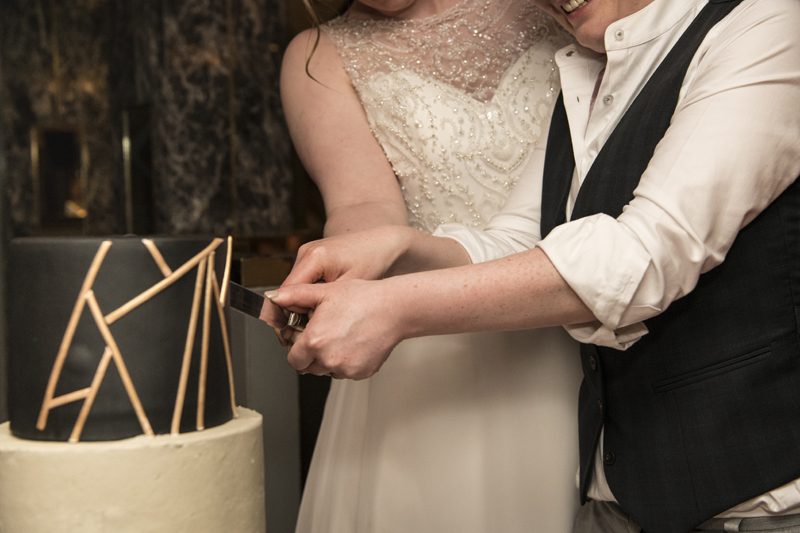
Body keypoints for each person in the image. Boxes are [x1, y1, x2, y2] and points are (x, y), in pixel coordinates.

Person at [271, 0, 800, 531]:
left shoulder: (767, 22)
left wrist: (397, 307)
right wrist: (395, 247)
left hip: (755, 502)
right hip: (620, 497)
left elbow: (646, 252)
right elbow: (519, 236)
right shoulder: (587, 62)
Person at [279, 1, 581, 532]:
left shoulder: (562, 8)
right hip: (422, 344)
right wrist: (348, 269)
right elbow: (360, 203)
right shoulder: (318, 56)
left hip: (576, 317)